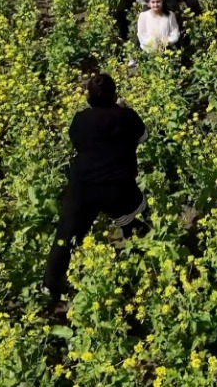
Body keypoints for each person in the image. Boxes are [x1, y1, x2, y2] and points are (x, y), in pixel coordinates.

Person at [42, 74, 150, 300]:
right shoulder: (126, 117)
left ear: (89, 96)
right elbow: (143, 137)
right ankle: (145, 269)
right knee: (137, 222)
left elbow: (76, 141)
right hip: (118, 186)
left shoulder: (81, 119)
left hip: (84, 186)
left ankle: (50, 286)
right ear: (114, 93)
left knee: (66, 236)